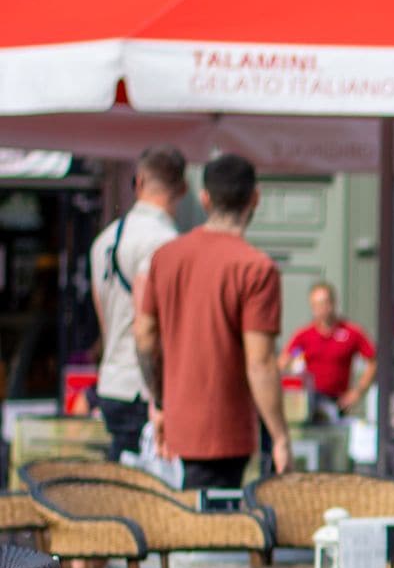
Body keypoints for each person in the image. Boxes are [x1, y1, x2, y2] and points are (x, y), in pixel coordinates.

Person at [134, 152, 291, 488]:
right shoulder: (256, 267)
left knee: (182, 531)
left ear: (204, 198)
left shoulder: (165, 257)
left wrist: (159, 403)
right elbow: (260, 362)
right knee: (218, 531)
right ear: (255, 198)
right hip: (225, 431)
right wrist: (280, 436)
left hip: (177, 425)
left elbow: (145, 337)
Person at [89, 145, 186, 463]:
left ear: (139, 181)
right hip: (145, 389)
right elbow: (152, 328)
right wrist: (160, 397)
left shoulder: (104, 239)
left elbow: (104, 319)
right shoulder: (166, 243)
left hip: (113, 379)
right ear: (183, 189)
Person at [284, 281, 377, 418]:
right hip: (310, 402)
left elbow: (372, 361)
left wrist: (357, 392)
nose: (320, 309)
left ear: (333, 303)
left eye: (324, 303)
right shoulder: (303, 335)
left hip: (338, 402)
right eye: (315, 305)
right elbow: (284, 362)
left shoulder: (351, 332)